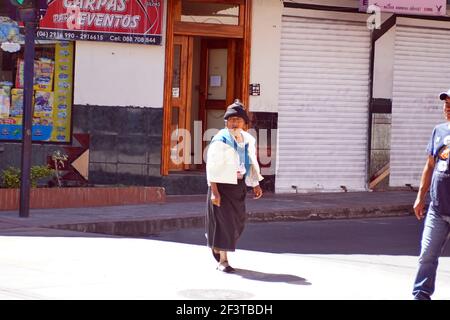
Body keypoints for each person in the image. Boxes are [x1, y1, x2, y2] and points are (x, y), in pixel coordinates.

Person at [205, 99, 264, 273]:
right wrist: (215, 192)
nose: (234, 123)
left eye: (238, 120)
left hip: (238, 187)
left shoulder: (247, 139)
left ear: (244, 124)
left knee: (237, 223)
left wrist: (255, 184)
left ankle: (216, 244)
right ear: (226, 122)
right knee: (225, 224)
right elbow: (212, 167)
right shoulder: (220, 139)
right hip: (221, 187)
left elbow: (251, 162)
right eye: (231, 120)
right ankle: (223, 260)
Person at [412, 89, 450, 300]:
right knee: (427, 256)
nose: (447, 108)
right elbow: (429, 166)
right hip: (437, 207)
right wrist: (420, 196)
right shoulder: (439, 131)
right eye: (445, 104)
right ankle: (421, 295)